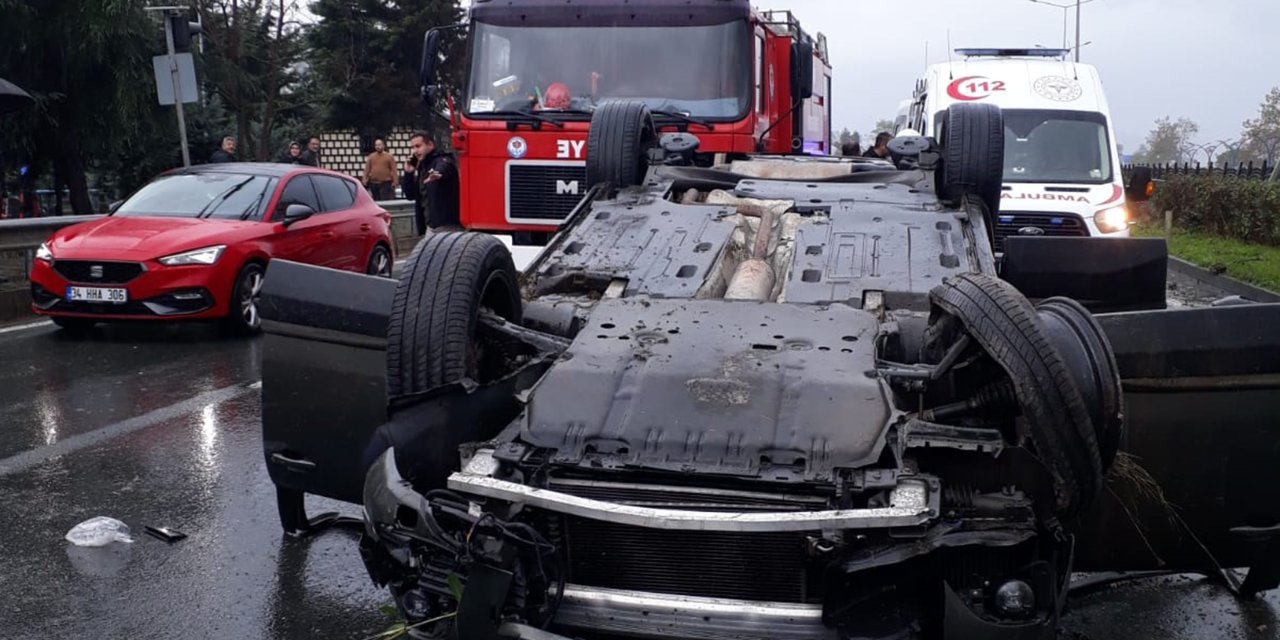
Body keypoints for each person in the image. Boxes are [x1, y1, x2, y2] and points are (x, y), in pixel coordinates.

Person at [400, 131, 460, 235]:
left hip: (446, 225)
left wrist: (438, 174)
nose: (415, 151)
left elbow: (444, 168)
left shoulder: (442, 160)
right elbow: (410, 195)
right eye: (413, 147)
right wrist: (408, 173)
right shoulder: (422, 167)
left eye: (418, 146)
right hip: (431, 226)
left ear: (430, 145)